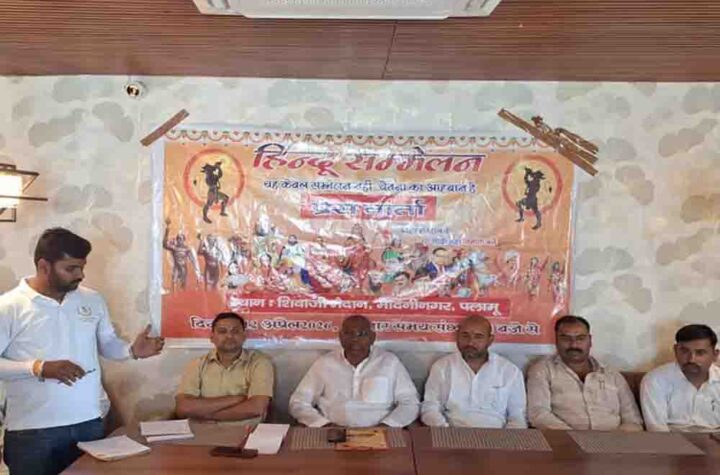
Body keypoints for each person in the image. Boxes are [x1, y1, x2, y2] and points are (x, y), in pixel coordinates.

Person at [0, 227, 165, 475]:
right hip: (32, 431)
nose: (80, 275)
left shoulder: (92, 300)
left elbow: (107, 343)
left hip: (88, 425)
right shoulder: (9, 306)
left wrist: (131, 351)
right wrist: (38, 368)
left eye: (82, 267)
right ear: (44, 266)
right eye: (71, 269)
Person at [289, 315, 419, 427]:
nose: (355, 339)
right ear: (340, 337)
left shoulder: (389, 362)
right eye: (349, 333)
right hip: (332, 434)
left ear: (373, 337)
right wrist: (323, 425)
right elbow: (299, 402)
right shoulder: (325, 363)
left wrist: (388, 426)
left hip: (382, 433)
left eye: (361, 334)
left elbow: (410, 403)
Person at [527, 315, 643, 431]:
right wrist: (574, 438)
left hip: (615, 440)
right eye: (566, 338)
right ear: (556, 341)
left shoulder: (612, 375)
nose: (574, 345)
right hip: (564, 440)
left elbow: (633, 420)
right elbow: (538, 414)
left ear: (590, 341)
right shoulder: (542, 371)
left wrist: (612, 439)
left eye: (580, 338)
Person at [421, 315, 527, 428]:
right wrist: (445, 431)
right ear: (457, 337)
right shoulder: (443, 366)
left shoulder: (510, 371)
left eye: (478, 337)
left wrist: (507, 438)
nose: (470, 342)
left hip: (497, 435)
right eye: (465, 335)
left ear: (490, 340)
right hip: (451, 432)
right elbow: (430, 408)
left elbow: (517, 417)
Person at [175, 312, 273, 422]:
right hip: (202, 430)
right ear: (212, 337)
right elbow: (183, 408)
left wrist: (205, 414)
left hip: (246, 430)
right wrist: (237, 399)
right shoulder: (197, 364)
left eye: (235, 331)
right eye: (222, 331)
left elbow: (256, 408)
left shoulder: (259, 363)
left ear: (244, 336)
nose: (229, 336)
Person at [641, 324, 719, 432]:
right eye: (684, 351)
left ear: (715, 355)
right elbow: (657, 429)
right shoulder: (655, 380)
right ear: (675, 350)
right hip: (671, 439)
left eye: (700, 353)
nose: (691, 359)